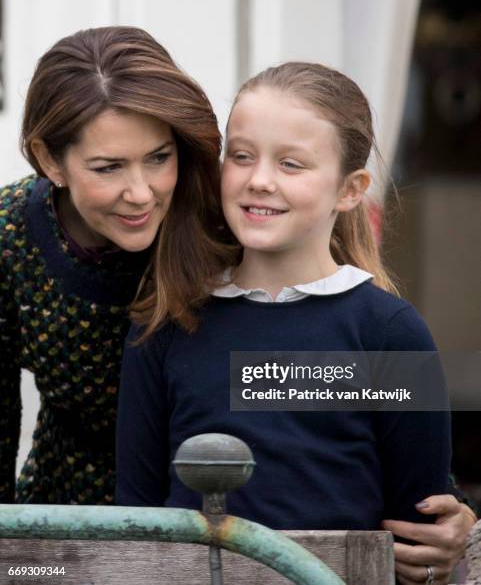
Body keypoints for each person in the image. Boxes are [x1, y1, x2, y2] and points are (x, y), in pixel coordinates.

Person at [116, 62, 476, 584]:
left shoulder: (389, 334)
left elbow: (420, 529)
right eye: (241, 156)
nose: (259, 180)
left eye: (291, 164)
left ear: (350, 190)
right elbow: (136, 515)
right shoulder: (165, 326)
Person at [0, 26, 235, 505]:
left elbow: (351, 364)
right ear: (51, 160)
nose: (142, 193)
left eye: (158, 158)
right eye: (108, 167)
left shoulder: (228, 219)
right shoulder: (10, 240)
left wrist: (424, 499)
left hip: (231, 525)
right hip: (69, 529)